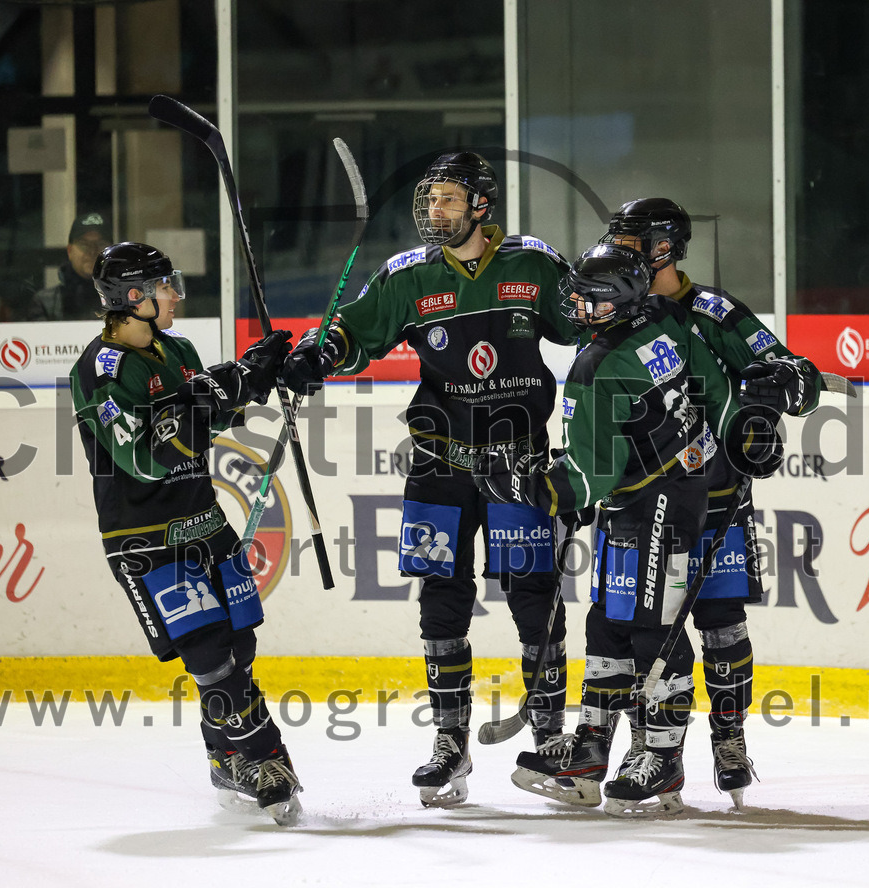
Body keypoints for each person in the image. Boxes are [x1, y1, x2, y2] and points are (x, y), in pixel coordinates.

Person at [282, 151, 580, 807]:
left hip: (519, 460)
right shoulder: (409, 277)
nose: (434, 211)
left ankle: (555, 739)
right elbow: (355, 333)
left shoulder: (532, 264)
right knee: (440, 599)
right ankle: (450, 744)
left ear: (481, 206)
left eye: (447, 199)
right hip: (438, 461)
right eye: (429, 200)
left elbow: (588, 319)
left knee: (535, 595)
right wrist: (316, 354)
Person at [473, 244, 782, 816]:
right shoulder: (666, 319)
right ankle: (591, 747)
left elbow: (590, 472)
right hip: (660, 493)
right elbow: (716, 393)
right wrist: (745, 430)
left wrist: (529, 487)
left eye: (588, 297)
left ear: (616, 299)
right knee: (609, 624)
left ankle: (663, 758)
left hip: (653, 504)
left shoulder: (598, 366)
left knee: (652, 629)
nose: (576, 304)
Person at [69, 242, 301, 825]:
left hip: (207, 523)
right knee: (210, 658)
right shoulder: (100, 372)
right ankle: (264, 756)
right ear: (133, 298)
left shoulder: (180, 349)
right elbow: (146, 455)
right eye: (164, 285)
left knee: (239, 650)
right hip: (146, 540)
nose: (175, 294)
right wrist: (222, 390)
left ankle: (226, 758)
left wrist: (257, 374)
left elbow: (209, 414)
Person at [602, 198, 824, 808]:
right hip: (640, 506)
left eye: (635, 242)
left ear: (666, 247)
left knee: (722, 628)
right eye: (618, 241)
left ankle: (730, 738)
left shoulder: (712, 312)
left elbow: (797, 374)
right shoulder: (612, 310)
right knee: (640, 631)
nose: (624, 252)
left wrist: (782, 383)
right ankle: (654, 751)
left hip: (717, 501)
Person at [29, 211, 113, 320]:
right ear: (70, 251)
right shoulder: (45, 303)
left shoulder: (128, 301)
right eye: (84, 244)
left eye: (101, 244)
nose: (92, 251)